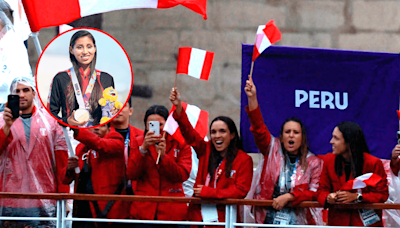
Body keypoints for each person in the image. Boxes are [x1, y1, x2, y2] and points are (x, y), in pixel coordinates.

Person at [243, 74, 323, 225]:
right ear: (282, 136)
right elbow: (258, 128)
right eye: (287, 132)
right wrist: (252, 97)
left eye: (296, 132)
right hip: (266, 218)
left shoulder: (314, 162)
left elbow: (315, 193)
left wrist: (290, 197)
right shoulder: (271, 148)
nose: (291, 136)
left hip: (298, 222)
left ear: (302, 137)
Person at [169, 87, 253, 225]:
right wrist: (178, 106)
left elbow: (240, 191)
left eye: (222, 131)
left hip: (224, 220)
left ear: (232, 135)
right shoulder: (205, 150)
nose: (217, 136)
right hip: (197, 219)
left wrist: (209, 192)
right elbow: (188, 132)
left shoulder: (244, 160)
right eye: (213, 132)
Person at [0, 77, 68, 227]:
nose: (21, 95)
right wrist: (6, 127)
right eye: (17, 91)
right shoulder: (2, 121)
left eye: (25, 90)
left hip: (44, 198)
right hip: (10, 198)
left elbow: (62, 162)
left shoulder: (50, 122)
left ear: (34, 93)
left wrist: (64, 198)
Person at [126, 105, 192, 228]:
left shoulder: (180, 142)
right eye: (151, 124)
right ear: (145, 125)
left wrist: (163, 157)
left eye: (160, 124)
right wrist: (143, 150)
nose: (156, 128)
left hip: (172, 212)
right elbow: (131, 173)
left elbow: (182, 175)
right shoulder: (138, 142)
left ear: (167, 124)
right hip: (144, 211)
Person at [316, 121, 389, 226]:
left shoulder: (373, 163)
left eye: (336, 138)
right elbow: (321, 191)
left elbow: (382, 195)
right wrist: (328, 197)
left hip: (365, 224)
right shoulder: (329, 161)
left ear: (349, 142)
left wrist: (357, 197)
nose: (331, 141)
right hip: (338, 223)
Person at [63, 123, 130, 228]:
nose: (97, 128)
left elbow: (100, 144)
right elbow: (67, 180)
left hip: (106, 212)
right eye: (93, 125)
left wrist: (77, 130)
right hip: (81, 210)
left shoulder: (117, 141)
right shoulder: (81, 148)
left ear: (109, 129)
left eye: (102, 125)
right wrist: (69, 168)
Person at [47, 29, 115, 127]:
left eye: (89, 47)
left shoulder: (107, 79)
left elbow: (110, 111)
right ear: (71, 50)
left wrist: (113, 111)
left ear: (95, 48)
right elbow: (50, 115)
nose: (85, 52)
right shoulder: (61, 78)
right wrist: (66, 122)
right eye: (79, 47)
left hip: (97, 137)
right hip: (70, 137)